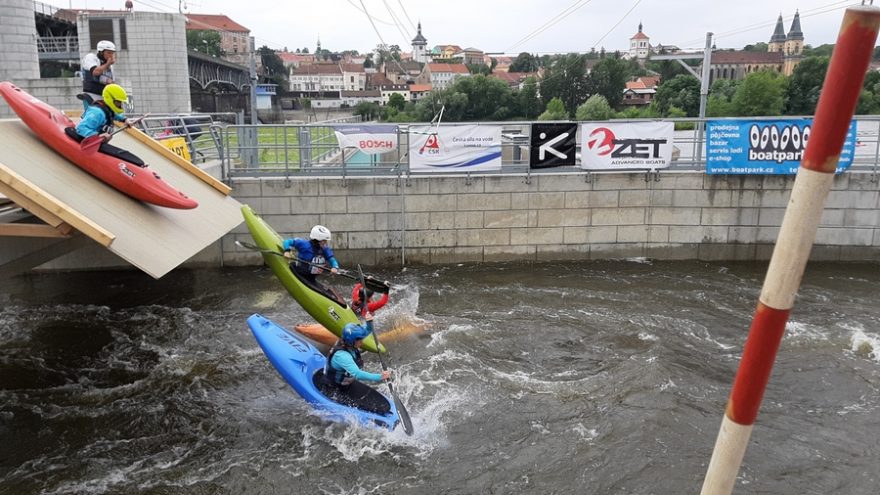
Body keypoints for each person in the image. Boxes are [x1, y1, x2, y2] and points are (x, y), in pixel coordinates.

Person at [321, 312, 392, 414]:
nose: (362, 342)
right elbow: (357, 374)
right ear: (352, 341)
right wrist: (380, 377)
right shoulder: (342, 356)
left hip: (346, 383)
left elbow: (367, 331)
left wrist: (368, 322)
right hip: (334, 388)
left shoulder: (349, 342)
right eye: (360, 340)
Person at [66, 84, 145, 167]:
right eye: (118, 102)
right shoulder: (97, 113)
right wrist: (98, 135)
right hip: (85, 140)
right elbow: (81, 128)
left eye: (121, 103)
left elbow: (115, 115)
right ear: (110, 99)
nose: (120, 105)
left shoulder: (108, 109)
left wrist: (125, 120)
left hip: (98, 143)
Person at [282, 225, 339, 290]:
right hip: (299, 274)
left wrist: (335, 267)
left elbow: (332, 260)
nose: (326, 243)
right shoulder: (303, 244)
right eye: (324, 240)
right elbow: (287, 242)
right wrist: (287, 251)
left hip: (311, 278)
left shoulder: (325, 249)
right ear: (317, 240)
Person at [80, 40, 117, 110]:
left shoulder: (110, 67)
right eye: (109, 53)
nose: (111, 56)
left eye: (112, 53)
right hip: (91, 94)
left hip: (103, 95)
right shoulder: (91, 58)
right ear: (101, 52)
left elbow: (112, 82)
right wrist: (108, 64)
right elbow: (95, 72)